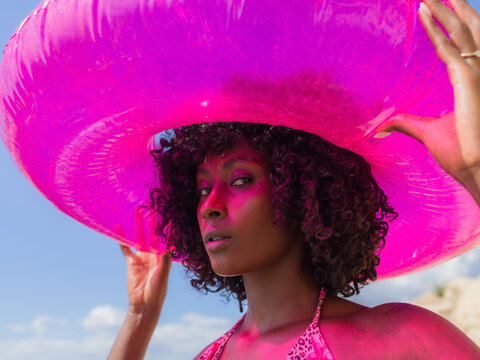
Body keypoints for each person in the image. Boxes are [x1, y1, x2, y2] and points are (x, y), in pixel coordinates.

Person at [108, 0, 480, 359]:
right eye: (203, 188)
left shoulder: (401, 336)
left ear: (306, 192)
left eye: (239, 180)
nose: (210, 206)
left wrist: (475, 171)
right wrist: (140, 317)